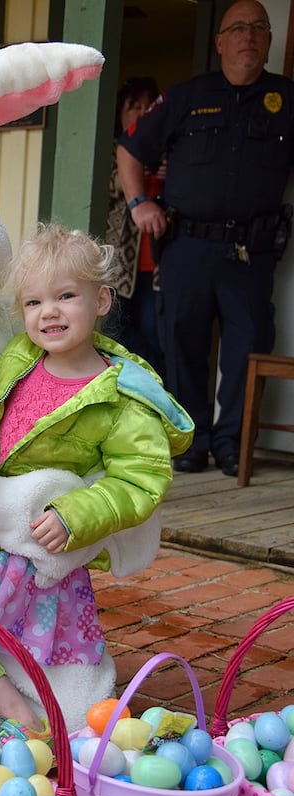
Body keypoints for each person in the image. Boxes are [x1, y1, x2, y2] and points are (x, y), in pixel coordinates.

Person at [0, 222, 194, 741]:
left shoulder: (120, 395)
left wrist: (76, 514)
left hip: (41, 546)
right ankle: (10, 709)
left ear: (102, 299)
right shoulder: (19, 361)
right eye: (34, 302)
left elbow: (141, 479)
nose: (49, 312)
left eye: (66, 296)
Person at [117, 0, 294, 477]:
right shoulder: (187, 96)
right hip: (188, 246)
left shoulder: (287, 100)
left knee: (247, 347)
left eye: (259, 27)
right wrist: (140, 205)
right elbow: (130, 149)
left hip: (251, 251)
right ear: (220, 42)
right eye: (238, 28)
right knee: (183, 343)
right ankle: (191, 442)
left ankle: (234, 444)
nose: (249, 36)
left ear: (270, 40)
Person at [104, 77, 166, 376]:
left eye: (148, 106)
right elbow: (106, 188)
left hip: (159, 265)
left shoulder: (171, 150)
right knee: (119, 335)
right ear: (121, 113)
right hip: (120, 264)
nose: (142, 113)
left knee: (156, 336)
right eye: (134, 106)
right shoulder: (112, 150)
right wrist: (137, 171)